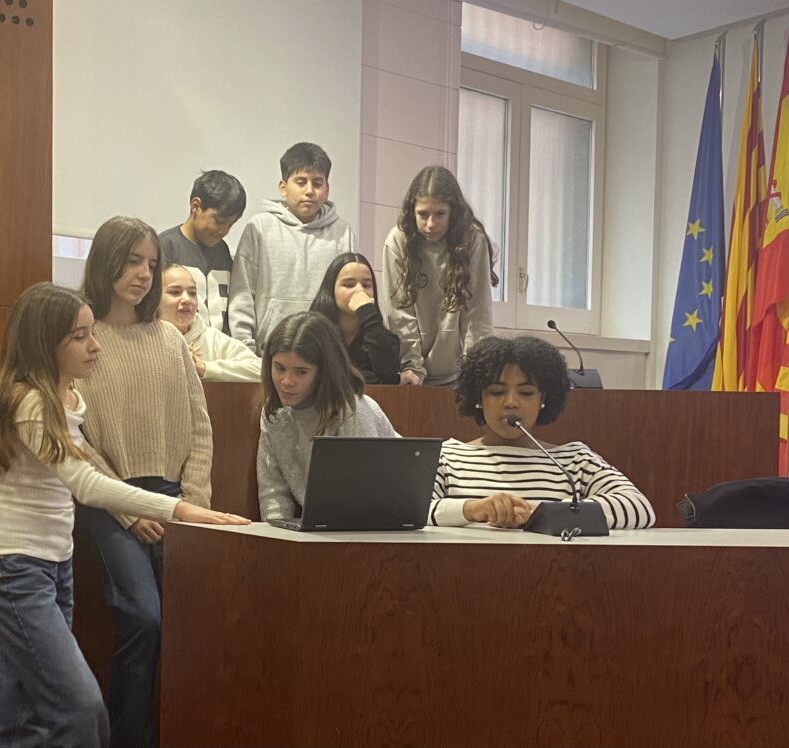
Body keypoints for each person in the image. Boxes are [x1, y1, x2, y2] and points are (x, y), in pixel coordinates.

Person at [0, 282, 247, 748]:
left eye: (91, 333)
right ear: (44, 344)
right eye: (80, 337)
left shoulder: (68, 398)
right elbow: (86, 483)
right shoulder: (30, 403)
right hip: (11, 569)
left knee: (19, 720)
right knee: (81, 708)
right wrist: (179, 508)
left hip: (52, 566)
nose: (94, 345)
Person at [76, 216, 215, 748]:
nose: (143, 274)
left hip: (177, 503)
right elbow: (77, 442)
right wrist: (130, 509)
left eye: (151, 264)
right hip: (112, 501)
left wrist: (193, 503)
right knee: (143, 617)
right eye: (132, 260)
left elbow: (199, 427)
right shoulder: (85, 340)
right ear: (105, 262)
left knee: (188, 625)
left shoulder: (169, 339)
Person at [428, 336, 656, 529]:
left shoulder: (574, 460)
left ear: (543, 399)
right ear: (478, 398)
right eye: (497, 392)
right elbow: (413, 512)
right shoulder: (446, 457)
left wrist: (544, 513)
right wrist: (473, 509)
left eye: (526, 393)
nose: (511, 402)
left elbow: (639, 508)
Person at [257, 312, 397, 520]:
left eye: (301, 372)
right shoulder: (274, 413)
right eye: (279, 368)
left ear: (323, 372)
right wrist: (276, 536)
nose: (286, 381)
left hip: (383, 522)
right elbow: (273, 492)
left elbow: (365, 500)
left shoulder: (353, 410)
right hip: (326, 527)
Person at [228, 142, 356, 356]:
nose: (309, 191)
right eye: (301, 182)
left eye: (317, 183)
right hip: (267, 354)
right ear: (283, 187)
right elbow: (242, 294)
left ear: (327, 189)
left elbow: (348, 299)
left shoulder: (342, 232)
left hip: (324, 354)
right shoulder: (260, 227)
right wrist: (245, 353)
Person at [381, 165, 499, 386]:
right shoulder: (397, 241)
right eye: (423, 214)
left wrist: (475, 370)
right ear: (412, 211)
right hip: (412, 375)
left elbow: (478, 315)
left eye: (440, 214)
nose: (430, 224)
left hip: (459, 375)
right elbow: (398, 315)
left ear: (453, 212)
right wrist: (411, 366)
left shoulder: (473, 240)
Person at [158, 169, 246, 333]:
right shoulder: (166, 246)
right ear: (196, 206)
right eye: (218, 221)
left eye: (230, 224)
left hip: (217, 344)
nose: (224, 231)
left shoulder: (222, 250)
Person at [309, 252, 400, 384]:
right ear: (331, 289)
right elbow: (317, 376)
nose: (359, 290)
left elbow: (389, 378)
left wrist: (367, 312)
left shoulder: (384, 337)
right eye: (349, 285)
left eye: (366, 285)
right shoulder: (313, 331)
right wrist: (371, 378)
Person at [160, 263, 262, 382]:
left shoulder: (212, 339)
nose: (187, 300)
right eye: (175, 292)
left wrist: (203, 368)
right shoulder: (146, 337)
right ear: (155, 298)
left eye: (192, 293)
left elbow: (259, 369)